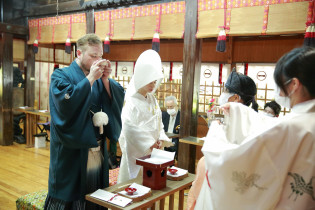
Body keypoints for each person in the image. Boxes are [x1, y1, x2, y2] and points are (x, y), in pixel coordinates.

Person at [193, 47, 315, 209]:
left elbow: (228, 163)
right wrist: (237, 111)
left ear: (294, 84)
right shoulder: (305, 121)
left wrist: (216, 130)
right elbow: (270, 125)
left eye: (281, 84)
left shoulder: (293, 127)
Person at [45, 33, 124, 210]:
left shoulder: (98, 79)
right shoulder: (60, 75)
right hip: (72, 149)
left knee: (94, 192)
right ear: (79, 53)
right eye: (93, 56)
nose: (98, 60)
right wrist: (90, 79)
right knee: (71, 195)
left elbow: (116, 98)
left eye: (101, 56)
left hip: (97, 148)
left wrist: (105, 80)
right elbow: (66, 104)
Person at [187, 70, 260, 209]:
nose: (222, 94)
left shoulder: (234, 128)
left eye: (226, 90)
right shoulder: (250, 123)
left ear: (235, 98)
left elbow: (214, 161)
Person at [117, 49, 173, 183]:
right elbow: (128, 127)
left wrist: (160, 138)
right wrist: (149, 143)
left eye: (155, 82)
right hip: (137, 150)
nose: (153, 85)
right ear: (141, 80)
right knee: (133, 188)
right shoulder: (131, 101)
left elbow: (159, 122)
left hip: (153, 150)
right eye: (150, 81)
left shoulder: (152, 100)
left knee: (152, 187)